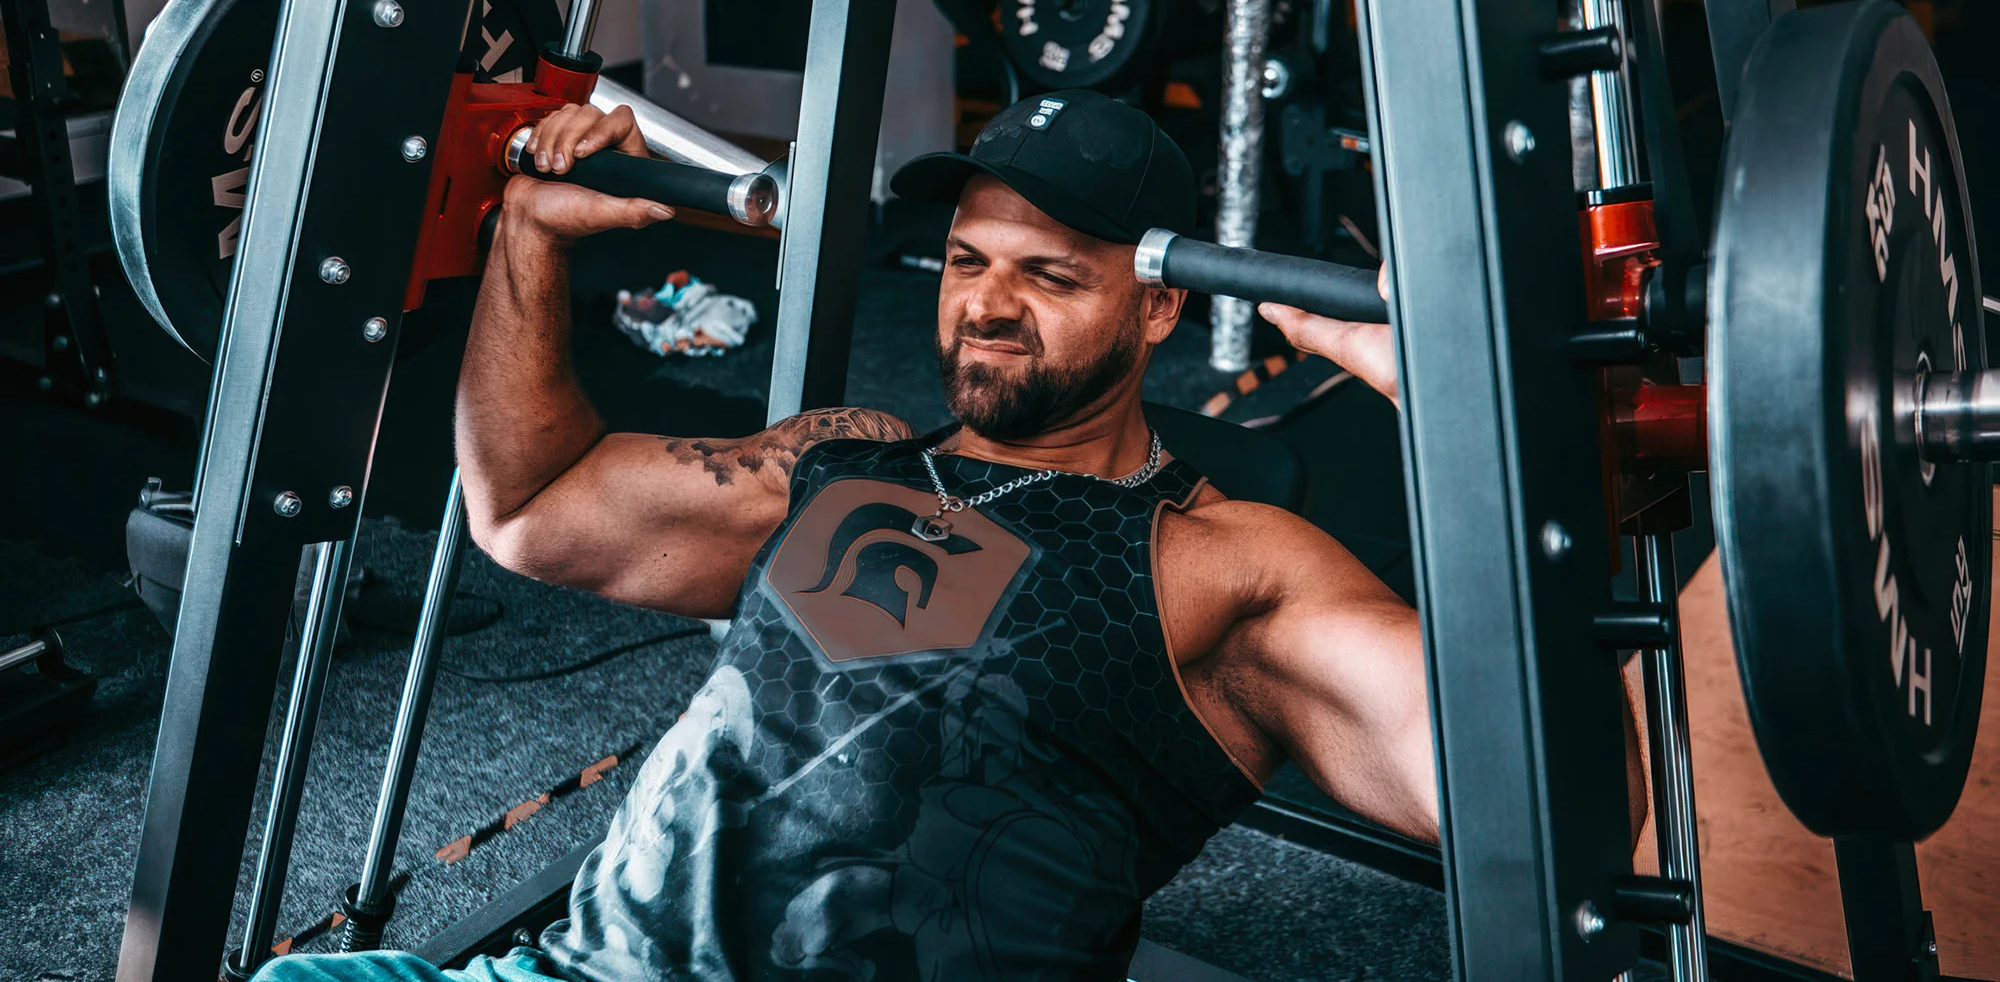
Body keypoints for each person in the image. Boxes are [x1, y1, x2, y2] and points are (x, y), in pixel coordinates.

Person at [256, 90, 1638, 982]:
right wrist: (530, 236)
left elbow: (1557, 808)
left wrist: (1494, 432)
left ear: (1159, 309)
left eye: (1050, 276)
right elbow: (529, 509)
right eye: (968, 260)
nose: (985, 304)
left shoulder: (1227, 566)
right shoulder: (843, 458)